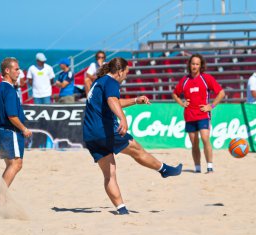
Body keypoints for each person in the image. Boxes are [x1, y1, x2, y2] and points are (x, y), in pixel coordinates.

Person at [83, 57, 182, 215]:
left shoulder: (99, 82)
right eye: (126, 73)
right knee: (137, 150)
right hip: (105, 130)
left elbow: (114, 101)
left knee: (109, 174)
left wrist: (136, 100)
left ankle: (121, 209)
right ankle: (164, 169)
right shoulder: (111, 81)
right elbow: (112, 100)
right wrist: (123, 118)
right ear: (119, 71)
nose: (126, 76)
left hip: (90, 134)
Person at [172, 54, 225, 173]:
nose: (195, 66)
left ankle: (210, 167)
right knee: (194, 143)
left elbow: (221, 93)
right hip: (189, 115)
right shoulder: (185, 80)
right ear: (189, 65)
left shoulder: (206, 78)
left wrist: (211, 106)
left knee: (205, 139)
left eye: (197, 64)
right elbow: (175, 94)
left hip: (203, 115)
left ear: (201, 66)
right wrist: (182, 103)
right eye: (193, 64)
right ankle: (197, 168)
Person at [0, 57, 33, 205]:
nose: (19, 71)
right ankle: (0, 197)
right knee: (16, 164)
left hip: (3, 131)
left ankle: (1, 196)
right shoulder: (9, 89)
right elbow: (12, 115)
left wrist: (0, 127)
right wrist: (24, 129)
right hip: (11, 132)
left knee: (11, 165)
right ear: (7, 71)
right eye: (16, 69)